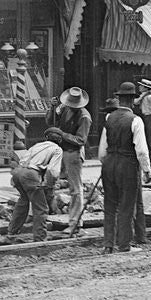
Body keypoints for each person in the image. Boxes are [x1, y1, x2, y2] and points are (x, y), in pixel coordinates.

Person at [98, 82, 151, 254]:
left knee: (110, 205)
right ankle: (124, 245)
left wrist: (107, 163)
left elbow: (101, 150)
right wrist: (147, 170)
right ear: (133, 100)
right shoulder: (136, 120)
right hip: (127, 164)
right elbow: (141, 150)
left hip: (109, 163)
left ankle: (108, 244)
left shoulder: (108, 118)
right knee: (127, 206)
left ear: (119, 99)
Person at [45, 86, 92, 234]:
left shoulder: (84, 117)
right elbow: (50, 122)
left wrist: (62, 134)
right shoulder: (64, 109)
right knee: (49, 181)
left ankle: (75, 223)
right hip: (60, 150)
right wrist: (52, 109)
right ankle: (47, 215)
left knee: (75, 189)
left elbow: (80, 140)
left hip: (73, 152)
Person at [7, 128, 64, 242]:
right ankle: (40, 239)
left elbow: (23, 160)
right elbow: (53, 171)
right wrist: (49, 185)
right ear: (60, 140)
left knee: (23, 201)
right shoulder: (57, 149)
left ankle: (11, 233)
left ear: (47, 137)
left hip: (18, 172)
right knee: (41, 208)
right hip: (31, 174)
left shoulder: (37, 145)